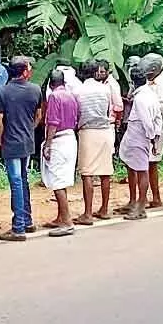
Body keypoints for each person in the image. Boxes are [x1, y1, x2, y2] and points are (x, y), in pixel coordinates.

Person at [0, 56, 42, 241]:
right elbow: (39, 115)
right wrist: (30, 129)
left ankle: (18, 226)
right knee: (23, 180)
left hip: (11, 142)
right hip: (27, 142)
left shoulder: (2, 92)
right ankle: (27, 220)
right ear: (24, 71)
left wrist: (0, 141)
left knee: (15, 181)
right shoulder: (35, 89)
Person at [73, 60, 115, 226]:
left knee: (87, 172)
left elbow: (78, 113)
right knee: (105, 172)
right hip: (105, 130)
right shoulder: (105, 89)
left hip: (88, 131)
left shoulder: (79, 91)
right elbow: (108, 111)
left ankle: (88, 213)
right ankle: (104, 209)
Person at [118, 66, 162, 221]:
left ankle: (141, 207)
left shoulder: (141, 98)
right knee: (133, 166)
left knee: (142, 170)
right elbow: (158, 119)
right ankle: (135, 202)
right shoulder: (150, 94)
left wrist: (151, 137)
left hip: (139, 136)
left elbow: (147, 121)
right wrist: (155, 137)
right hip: (139, 136)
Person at [39, 70, 78, 237]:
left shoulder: (54, 97)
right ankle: (61, 217)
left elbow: (53, 122)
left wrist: (48, 144)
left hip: (59, 139)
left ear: (50, 83)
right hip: (70, 137)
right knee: (61, 179)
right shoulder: (71, 96)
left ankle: (67, 222)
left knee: (57, 182)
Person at [140, 54, 163, 209]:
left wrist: (147, 105)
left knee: (151, 163)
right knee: (144, 162)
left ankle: (155, 197)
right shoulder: (148, 81)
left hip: (157, 127)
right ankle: (144, 197)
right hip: (146, 126)